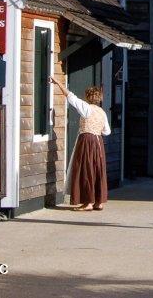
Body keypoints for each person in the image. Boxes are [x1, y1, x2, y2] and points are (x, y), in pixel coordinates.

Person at [51, 77, 110, 211]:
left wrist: (58, 83)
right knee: (98, 169)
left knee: (85, 168)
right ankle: (98, 202)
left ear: (88, 97)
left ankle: (88, 202)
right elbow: (107, 131)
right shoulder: (102, 112)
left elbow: (71, 97)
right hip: (98, 142)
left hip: (87, 140)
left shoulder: (86, 108)